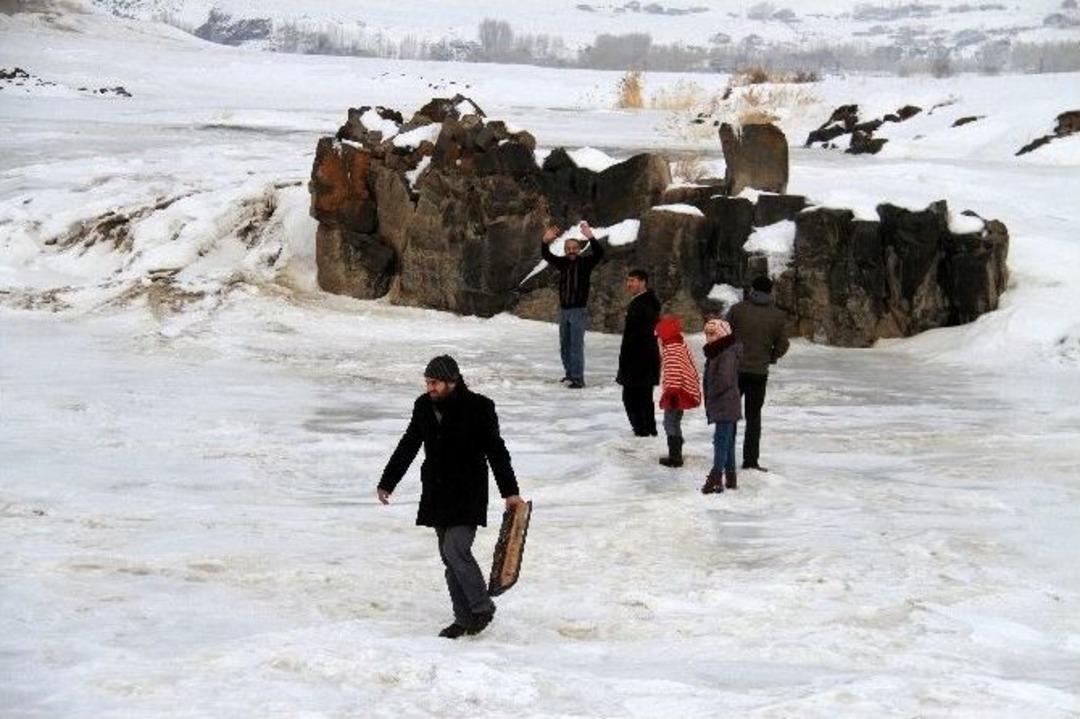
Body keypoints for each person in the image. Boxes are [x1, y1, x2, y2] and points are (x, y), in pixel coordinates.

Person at [377, 355, 526, 639]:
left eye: (434, 382)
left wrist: (510, 492)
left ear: (451, 381)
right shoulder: (423, 406)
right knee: (449, 558)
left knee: (456, 549)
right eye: (427, 382)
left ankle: (482, 607)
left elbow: (496, 450)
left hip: (468, 492)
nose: (429, 388)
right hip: (436, 492)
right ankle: (464, 618)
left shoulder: (479, 407)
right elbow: (409, 444)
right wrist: (388, 482)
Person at [726, 275, 790, 472]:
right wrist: (770, 357)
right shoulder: (778, 315)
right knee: (754, 418)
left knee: (731, 415)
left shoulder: (737, 310)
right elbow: (783, 344)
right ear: (770, 291)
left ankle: (727, 457)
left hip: (735, 370)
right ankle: (751, 461)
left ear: (752, 289)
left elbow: (724, 335)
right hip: (759, 372)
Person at [540, 221, 606, 389]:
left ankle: (578, 379)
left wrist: (590, 237)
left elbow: (599, 253)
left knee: (576, 346)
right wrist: (545, 242)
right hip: (564, 311)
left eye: (574, 248)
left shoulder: (586, 263)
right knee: (565, 346)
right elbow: (546, 255)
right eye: (568, 248)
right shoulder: (562, 263)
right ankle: (569, 374)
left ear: (579, 249)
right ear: (564, 250)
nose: (571, 251)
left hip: (578, 311)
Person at [616, 269, 661, 436]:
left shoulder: (645, 303)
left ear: (643, 282)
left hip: (640, 359)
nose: (629, 284)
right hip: (638, 358)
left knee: (634, 397)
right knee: (641, 397)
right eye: (628, 280)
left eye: (633, 280)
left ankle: (642, 430)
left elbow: (644, 333)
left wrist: (632, 360)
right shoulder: (641, 301)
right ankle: (646, 429)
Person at [701, 317, 743, 494]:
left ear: (722, 334)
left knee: (721, 439)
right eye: (707, 334)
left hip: (725, 401)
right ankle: (731, 477)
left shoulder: (725, 352)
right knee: (727, 440)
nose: (709, 338)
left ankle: (716, 476)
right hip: (725, 401)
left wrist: (712, 392)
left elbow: (724, 379)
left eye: (713, 334)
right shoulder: (717, 351)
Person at [655, 315, 701, 468]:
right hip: (683, 390)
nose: (658, 338)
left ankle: (675, 457)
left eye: (659, 335)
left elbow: (674, 371)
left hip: (675, 393)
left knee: (669, 422)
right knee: (675, 421)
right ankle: (677, 450)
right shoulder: (681, 345)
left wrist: (672, 393)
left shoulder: (671, 349)